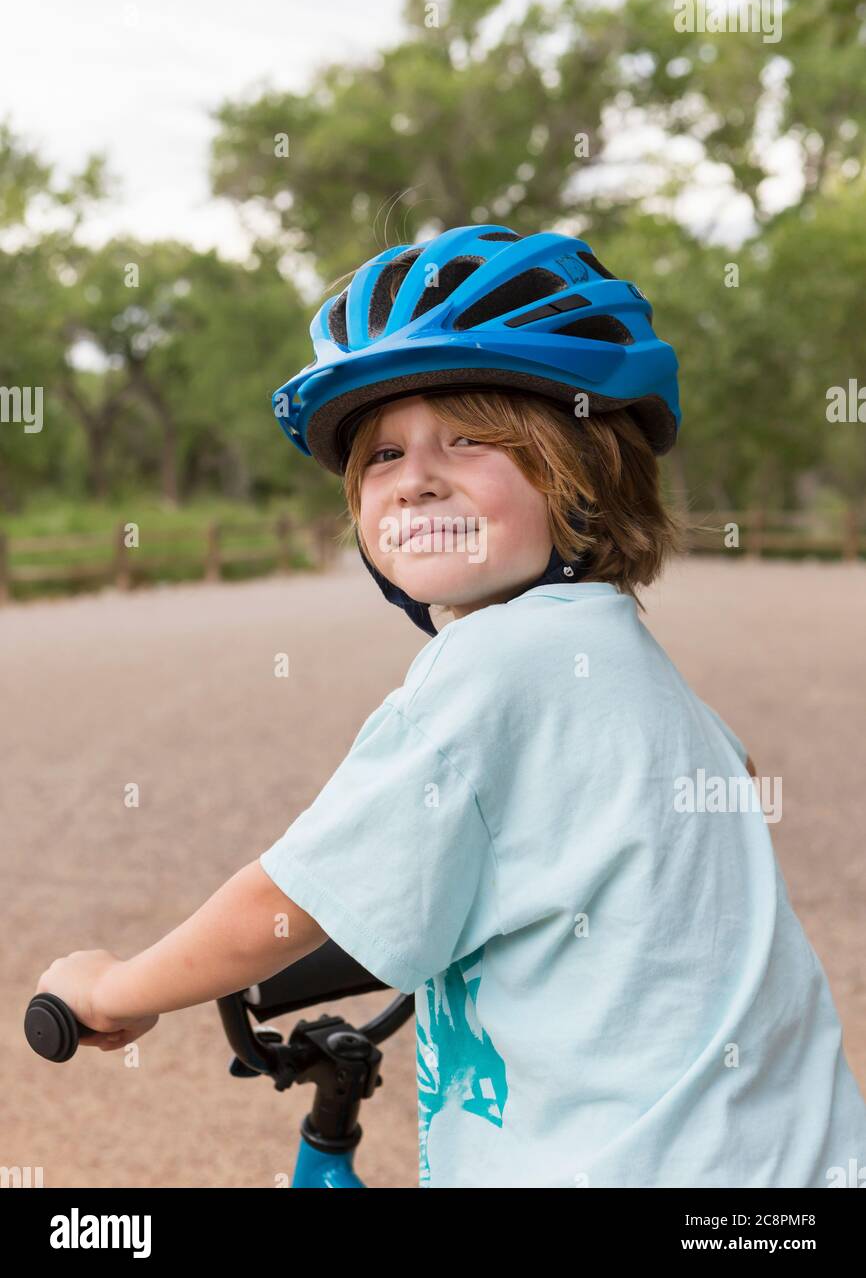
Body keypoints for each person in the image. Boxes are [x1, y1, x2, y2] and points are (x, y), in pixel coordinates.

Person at [35, 224, 866, 1188]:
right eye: (382, 454)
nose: (418, 474)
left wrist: (116, 988)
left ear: (586, 469)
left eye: (470, 437)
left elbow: (289, 898)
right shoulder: (615, 649)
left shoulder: (499, 660)